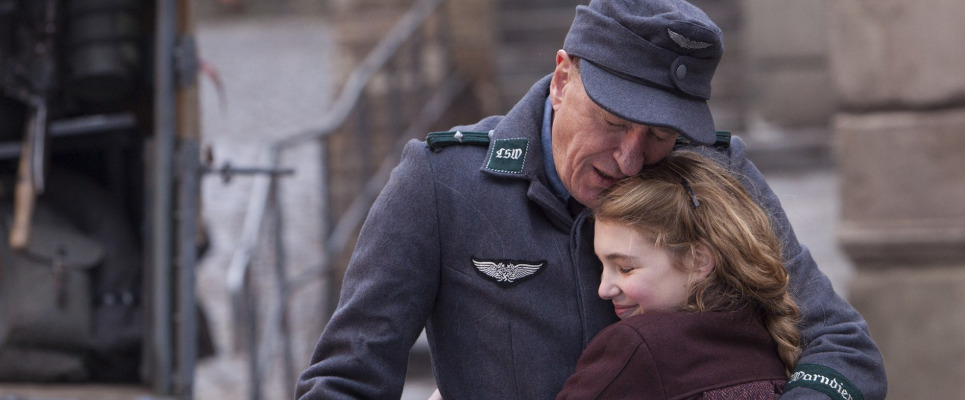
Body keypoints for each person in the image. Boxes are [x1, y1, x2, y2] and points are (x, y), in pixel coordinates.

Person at [295, 0, 886, 399]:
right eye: (614, 122)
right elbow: (345, 380)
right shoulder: (442, 183)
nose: (630, 159)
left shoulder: (716, 172)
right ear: (562, 79)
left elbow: (844, 346)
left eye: (660, 135)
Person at [556, 150, 800, 399]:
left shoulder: (635, 346)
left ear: (697, 260)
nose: (603, 289)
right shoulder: (766, 336)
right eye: (601, 266)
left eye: (625, 268)